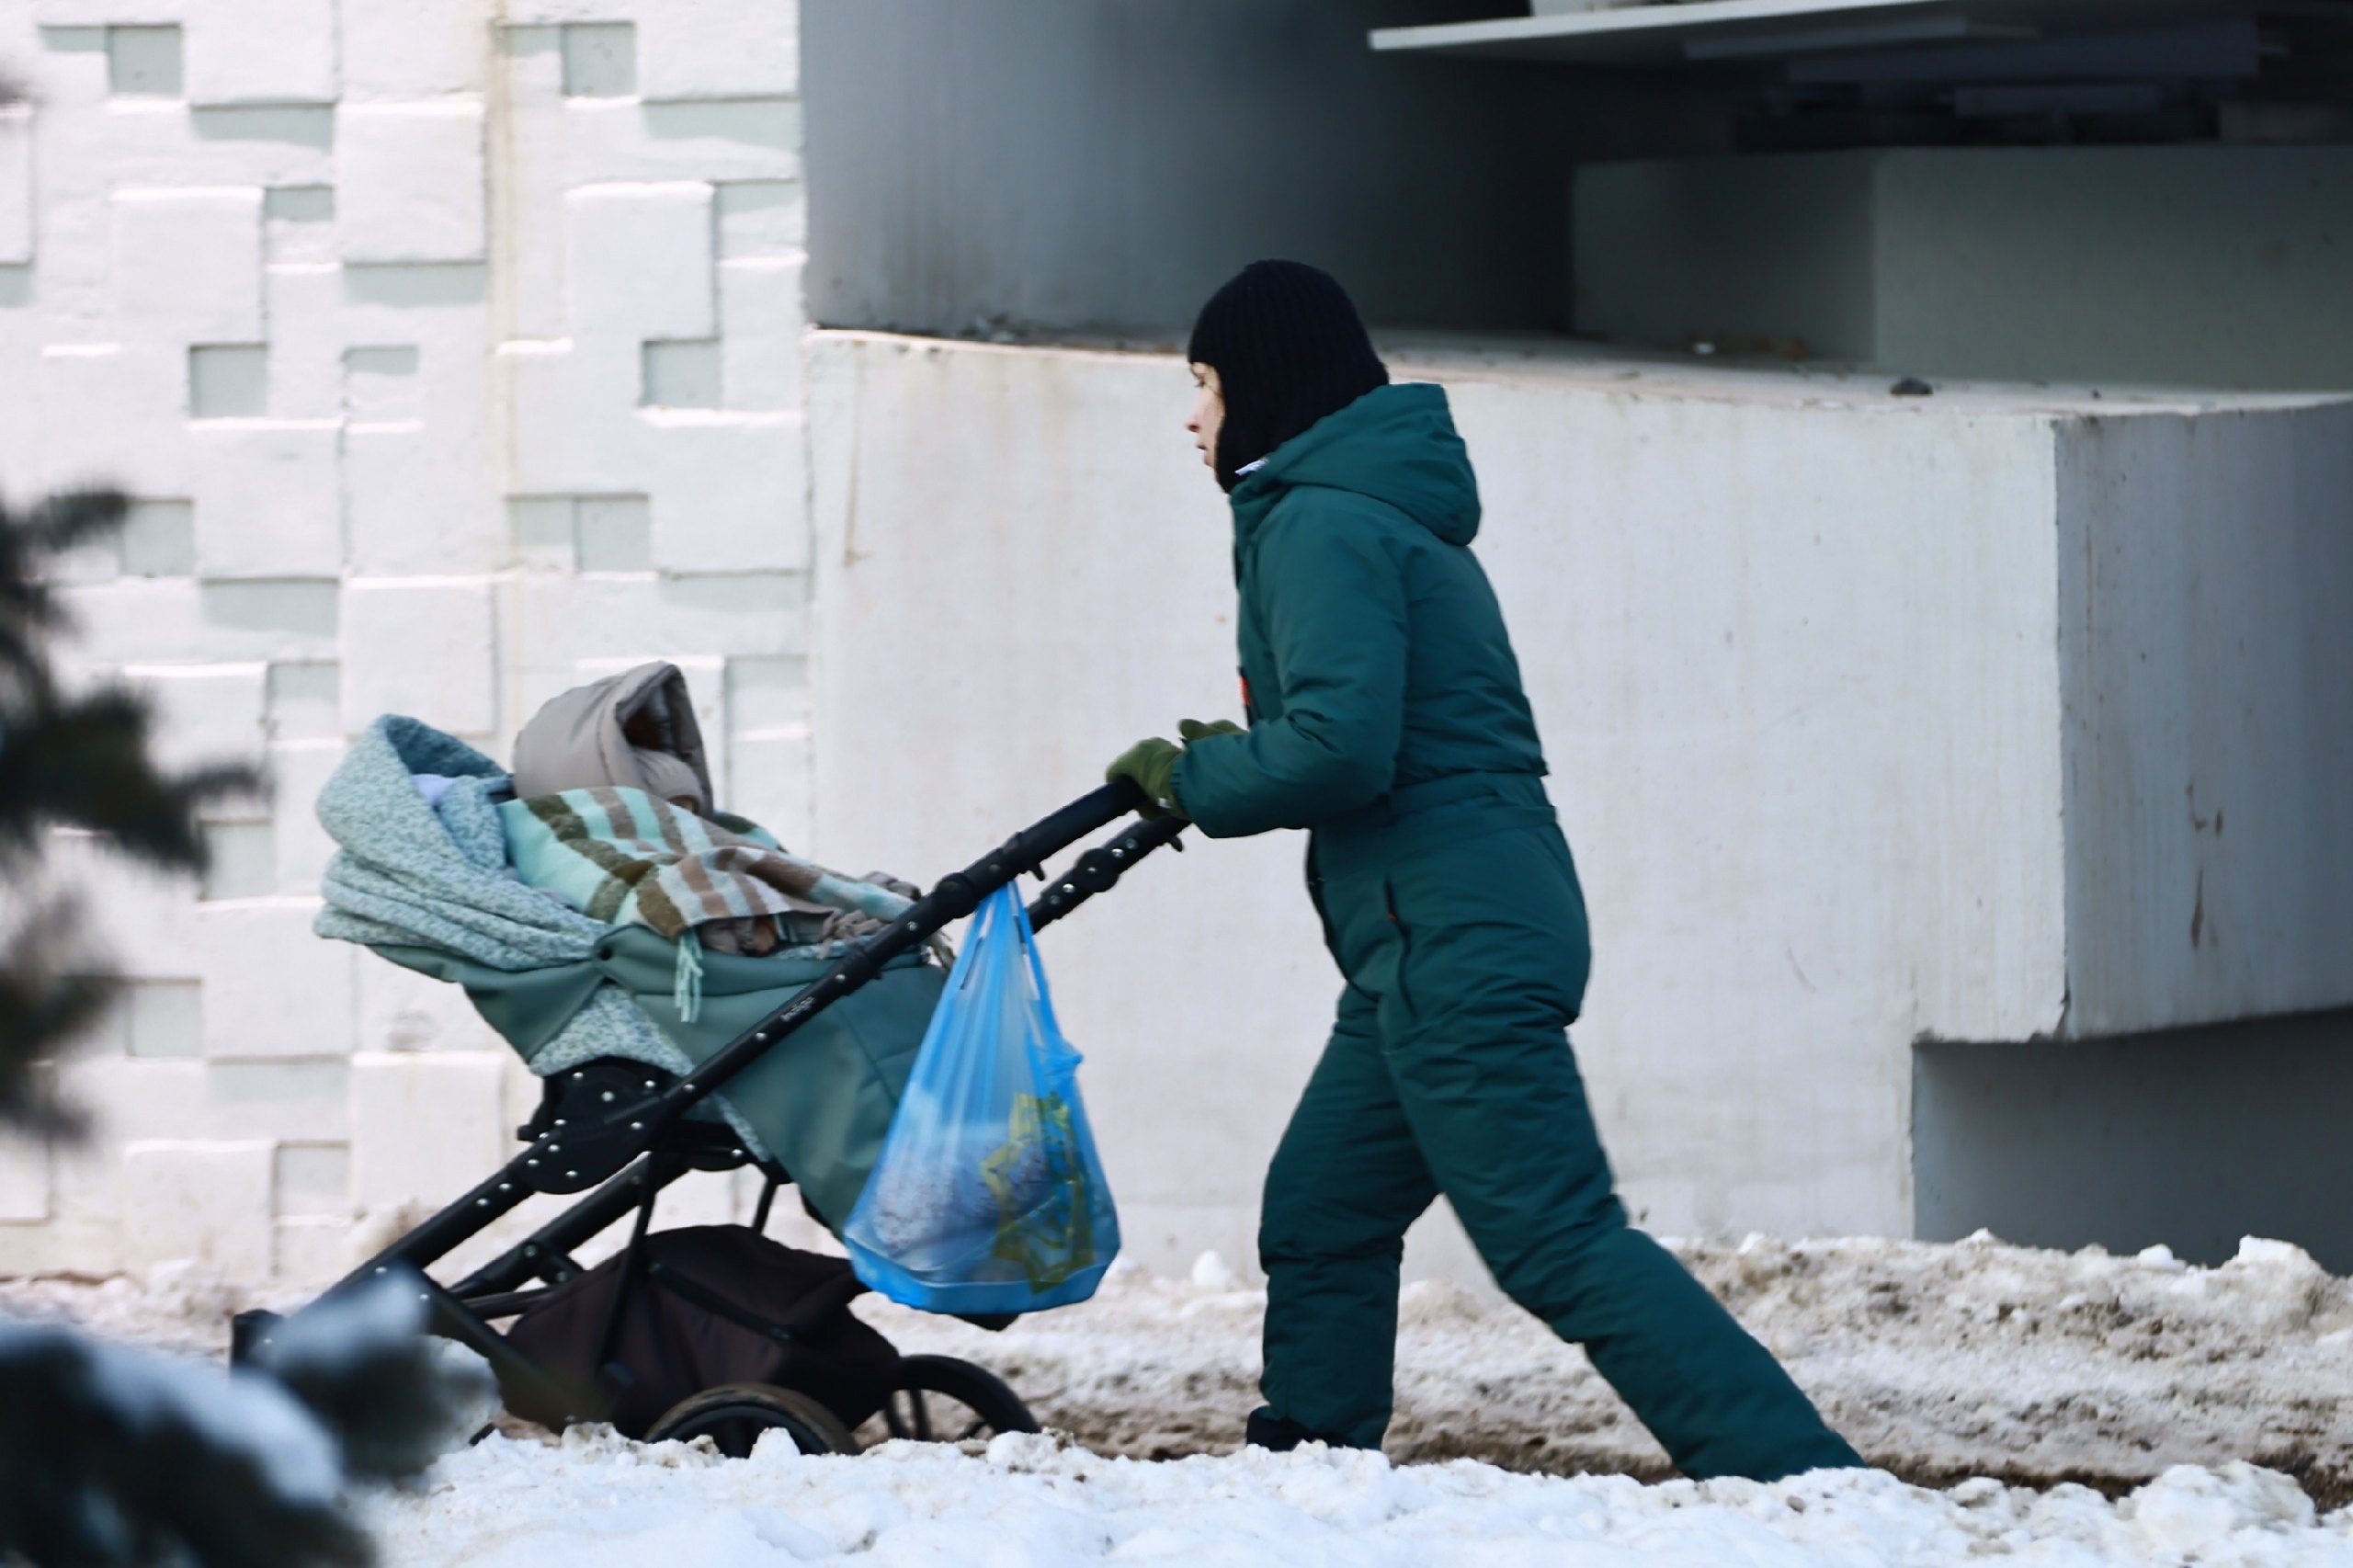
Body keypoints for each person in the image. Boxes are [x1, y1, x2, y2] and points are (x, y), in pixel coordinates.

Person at [1106, 260, 1863, 1482]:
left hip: (1444, 928)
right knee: (1323, 1209)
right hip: (1434, 926)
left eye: (1203, 384)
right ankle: (1308, 1466)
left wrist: (1193, 781)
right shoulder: (1362, 510)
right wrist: (1225, 760)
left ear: (1264, 385)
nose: (1191, 417)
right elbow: (1356, 727)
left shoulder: (1321, 521)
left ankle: (1805, 1481)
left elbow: (1343, 749)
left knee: (1555, 1238)